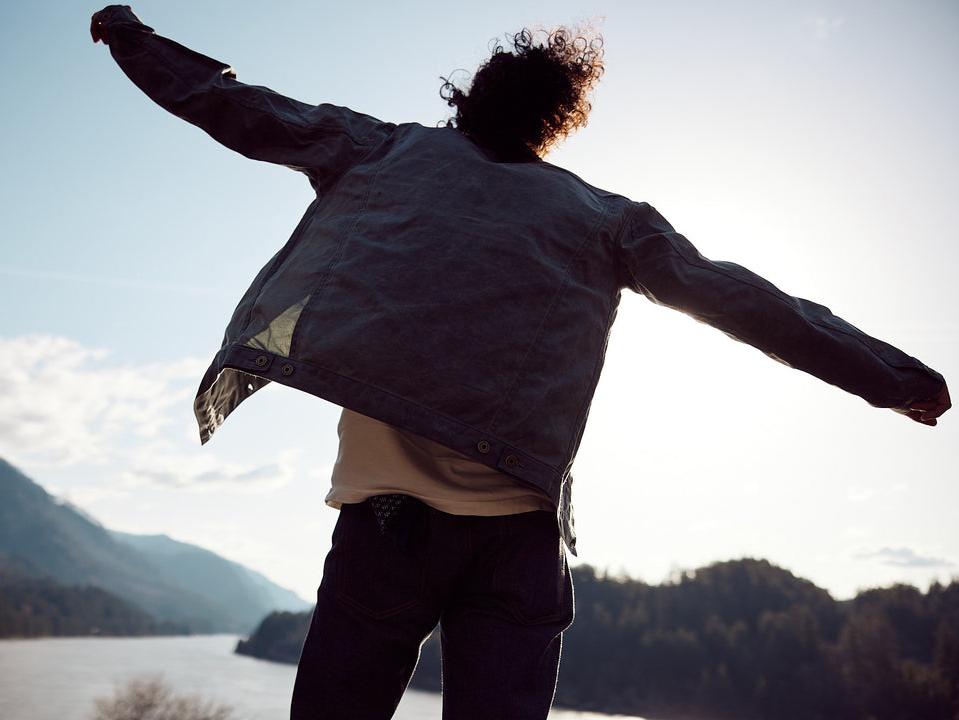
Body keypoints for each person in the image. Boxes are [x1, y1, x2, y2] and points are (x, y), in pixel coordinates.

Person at [90, 7, 950, 719]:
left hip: (387, 534)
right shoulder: (607, 219)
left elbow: (231, 107)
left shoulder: (384, 150)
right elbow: (745, 300)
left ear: (467, 101)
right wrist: (893, 377)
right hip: (519, 546)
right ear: (554, 125)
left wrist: (132, 36)